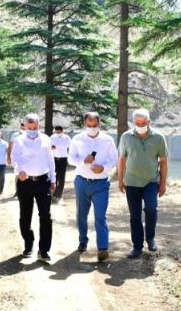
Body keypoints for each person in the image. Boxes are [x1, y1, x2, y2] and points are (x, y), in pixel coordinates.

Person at [117, 108, 168, 259]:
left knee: (151, 208)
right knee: (135, 215)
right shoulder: (126, 137)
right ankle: (137, 247)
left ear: (149, 122)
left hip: (151, 181)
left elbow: (163, 162)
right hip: (132, 182)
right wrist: (120, 180)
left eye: (143, 123)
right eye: (137, 124)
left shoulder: (158, 137)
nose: (140, 126)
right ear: (133, 123)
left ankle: (150, 238)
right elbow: (122, 159)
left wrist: (163, 183)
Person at [68, 112, 118, 262]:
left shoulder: (107, 140)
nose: (92, 128)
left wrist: (103, 168)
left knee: (100, 216)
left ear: (99, 124)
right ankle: (83, 241)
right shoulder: (77, 139)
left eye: (94, 125)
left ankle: (102, 248)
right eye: (89, 125)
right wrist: (83, 161)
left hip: (101, 184)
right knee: (81, 215)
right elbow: (71, 159)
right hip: (82, 182)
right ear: (84, 124)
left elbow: (114, 159)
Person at [10, 114, 56, 262]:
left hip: (43, 181)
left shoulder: (45, 139)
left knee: (45, 216)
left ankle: (43, 250)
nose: (32, 130)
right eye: (29, 128)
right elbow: (14, 158)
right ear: (24, 126)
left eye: (35, 127)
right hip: (25, 182)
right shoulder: (19, 140)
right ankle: (28, 244)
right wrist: (19, 170)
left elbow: (50, 159)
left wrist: (53, 179)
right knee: (25, 215)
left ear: (39, 126)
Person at [50, 125, 71, 201]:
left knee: (61, 178)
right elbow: (49, 146)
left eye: (59, 132)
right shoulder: (52, 137)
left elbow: (69, 146)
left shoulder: (66, 138)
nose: (57, 133)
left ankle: (58, 195)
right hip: (54, 159)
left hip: (63, 159)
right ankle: (53, 194)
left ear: (62, 131)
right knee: (54, 177)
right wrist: (51, 147)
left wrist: (57, 146)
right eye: (56, 132)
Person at [7, 122, 25, 199]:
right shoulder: (15, 135)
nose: (23, 128)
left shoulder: (31, 135)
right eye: (22, 126)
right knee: (18, 174)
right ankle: (17, 191)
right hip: (17, 158)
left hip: (27, 158)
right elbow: (10, 146)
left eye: (25, 126)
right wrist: (9, 157)